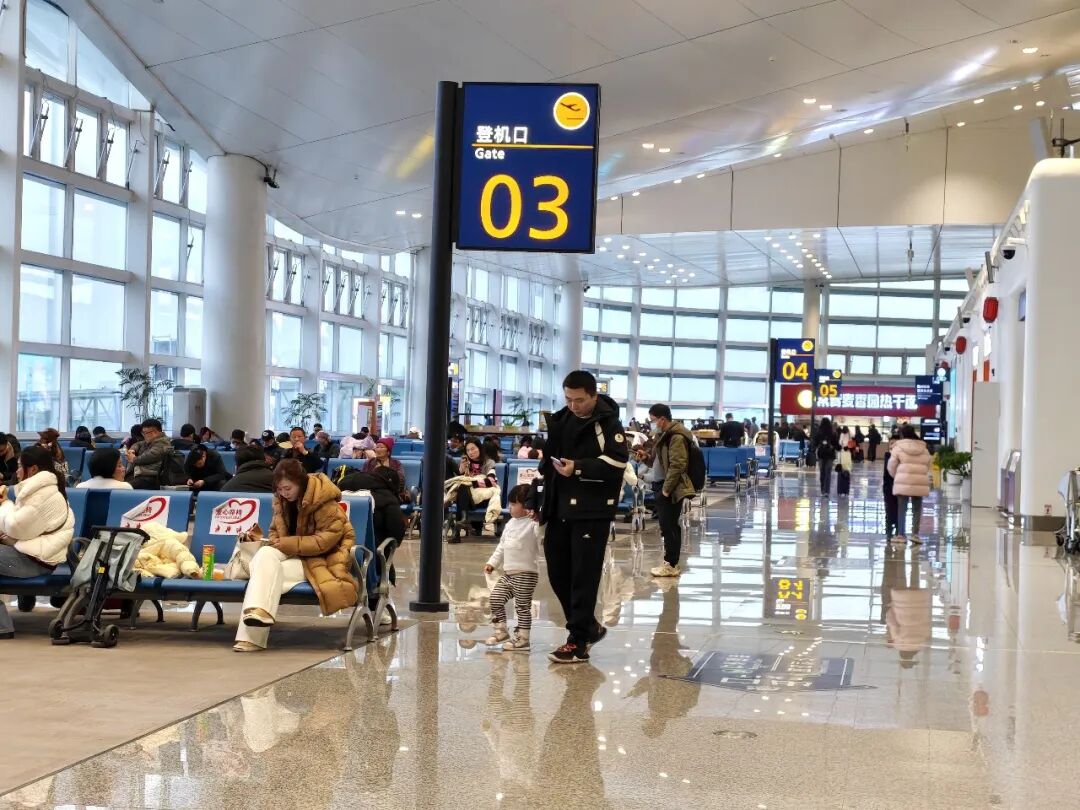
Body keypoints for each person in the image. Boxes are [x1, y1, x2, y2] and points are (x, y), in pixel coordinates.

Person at [540, 370, 628, 664]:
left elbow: (618, 462)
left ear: (593, 395)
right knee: (557, 572)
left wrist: (578, 467)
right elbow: (548, 462)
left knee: (583, 575)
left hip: (592, 509)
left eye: (579, 400)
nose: (573, 405)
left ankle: (577, 639)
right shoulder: (561, 420)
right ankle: (588, 626)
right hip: (558, 506)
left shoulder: (608, 423)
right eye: (568, 399)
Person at [233, 460, 358, 652]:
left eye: (288, 488)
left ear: (301, 482)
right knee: (265, 555)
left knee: (264, 573)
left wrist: (288, 543)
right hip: (292, 555)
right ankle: (259, 613)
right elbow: (274, 530)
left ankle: (251, 638)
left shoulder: (324, 501)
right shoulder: (281, 501)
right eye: (279, 489)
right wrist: (274, 541)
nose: (284, 493)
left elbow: (326, 541)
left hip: (319, 560)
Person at [0, 446, 76, 639]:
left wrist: (5, 504)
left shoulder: (42, 495)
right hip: (32, 555)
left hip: (34, 560)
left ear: (32, 469)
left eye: (20, 466)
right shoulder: (40, 491)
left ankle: (3, 626)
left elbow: (14, 526)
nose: (17, 472)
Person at [484, 484, 544, 652]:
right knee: (495, 599)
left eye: (513, 504)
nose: (509, 507)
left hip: (526, 574)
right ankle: (501, 631)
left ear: (526, 506)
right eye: (509, 504)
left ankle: (523, 639)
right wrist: (492, 562)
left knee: (522, 607)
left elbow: (541, 536)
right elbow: (502, 546)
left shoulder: (533, 524)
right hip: (508, 574)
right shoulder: (510, 523)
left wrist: (538, 520)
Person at [647, 404, 696, 578]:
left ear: (662, 419)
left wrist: (666, 490)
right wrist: (645, 458)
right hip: (660, 484)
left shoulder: (676, 436)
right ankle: (669, 562)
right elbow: (658, 462)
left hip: (670, 487)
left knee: (670, 527)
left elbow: (678, 465)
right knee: (666, 526)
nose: (652, 424)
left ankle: (671, 565)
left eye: (653, 420)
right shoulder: (663, 435)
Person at [447, 437, 501, 539]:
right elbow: (459, 481)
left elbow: (491, 481)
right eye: (468, 450)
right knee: (462, 487)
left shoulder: (489, 462)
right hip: (468, 499)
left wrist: (471, 483)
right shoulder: (466, 463)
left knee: (463, 490)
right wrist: (461, 471)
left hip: (483, 499)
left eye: (473, 449)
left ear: (479, 448)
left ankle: (457, 532)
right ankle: (463, 520)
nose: (470, 452)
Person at [887, 425, 932, 545]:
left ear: (902, 434)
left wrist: (897, 476)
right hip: (919, 481)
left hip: (903, 480)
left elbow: (891, 465)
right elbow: (927, 465)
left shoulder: (898, 447)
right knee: (917, 509)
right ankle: (915, 534)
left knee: (902, 509)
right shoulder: (923, 448)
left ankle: (901, 535)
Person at [126, 418, 173, 489]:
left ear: (155, 432)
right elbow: (138, 444)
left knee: (124, 487)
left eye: (146, 433)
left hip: (151, 477)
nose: (144, 435)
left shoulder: (163, 443)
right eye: (143, 433)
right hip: (140, 475)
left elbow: (150, 456)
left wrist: (133, 459)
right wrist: (132, 450)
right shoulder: (150, 440)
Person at [362, 438, 410, 504]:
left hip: (391, 492)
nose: (378, 450)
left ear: (388, 451)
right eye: (377, 447)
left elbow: (400, 480)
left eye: (381, 447)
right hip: (372, 492)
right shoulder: (369, 462)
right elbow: (363, 478)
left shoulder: (396, 463)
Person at [814, 418, 838, 497]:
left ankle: (822, 490)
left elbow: (815, 443)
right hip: (830, 455)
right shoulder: (833, 433)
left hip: (821, 455)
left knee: (822, 472)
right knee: (828, 473)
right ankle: (827, 491)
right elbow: (836, 445)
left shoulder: (818, 433)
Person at [882, 435, 899, 539]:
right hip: (888, 486)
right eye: (891, 443)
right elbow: (887, 472)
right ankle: (889, 531)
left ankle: (898, 529)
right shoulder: (887, 455)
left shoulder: (901, 456)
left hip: (899, 486)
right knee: (889, 509)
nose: (893, 445)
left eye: (895, 443)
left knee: (898, 509)